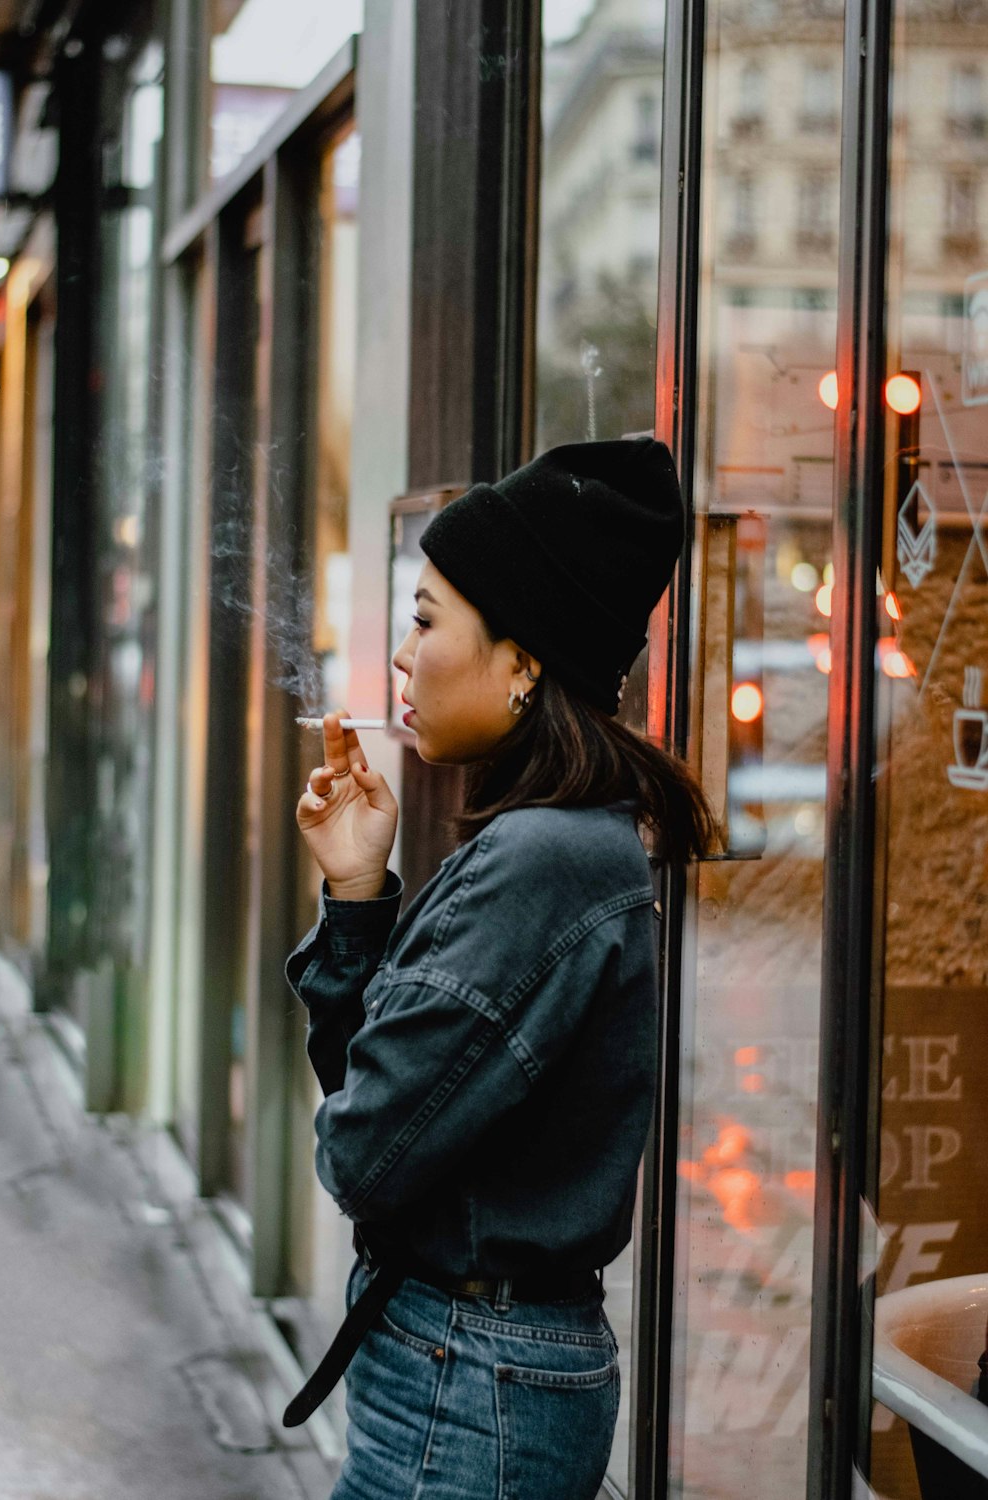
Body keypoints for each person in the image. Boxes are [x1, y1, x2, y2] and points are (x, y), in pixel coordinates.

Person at [284, 438, 715, 1499]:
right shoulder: (560, 845)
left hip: (467, 1383)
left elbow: (362, 1150)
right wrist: (355, 896)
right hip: (474, 1369)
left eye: (427, 619)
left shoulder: (539, 861)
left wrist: (364, 958)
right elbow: (385, 1109)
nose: (402, 654)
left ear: (524, 660)